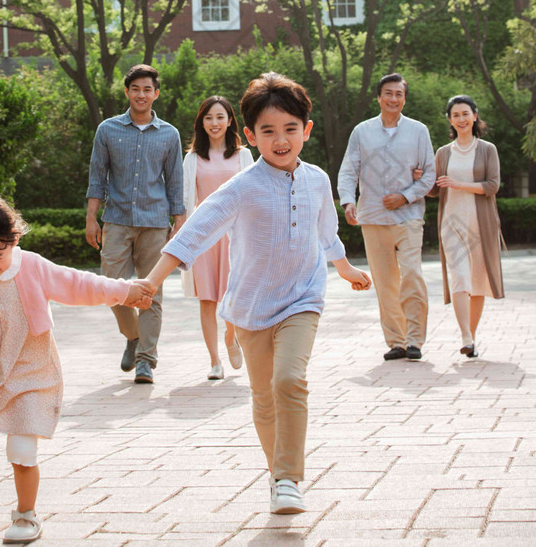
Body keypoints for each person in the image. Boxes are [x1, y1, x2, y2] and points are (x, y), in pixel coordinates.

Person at [143, 72, 371, 515]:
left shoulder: (318, 180)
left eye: (290, 129)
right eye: (268, 131)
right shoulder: (242, 186)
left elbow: (327, 231)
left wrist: (343, 268)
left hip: (303, 296)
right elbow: (196, 232)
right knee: (264, 397)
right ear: (249, 135)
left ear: (306, 129)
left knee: (290, 380)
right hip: (249, 305)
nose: (280, 140)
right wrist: (152, 281)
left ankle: (288, 477)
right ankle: (277, 474)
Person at [0, 183, 152, 545]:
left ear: (13, 240)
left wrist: (125, 290)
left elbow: (79, 284)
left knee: (22, 451)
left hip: (31, 370)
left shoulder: (31, 267)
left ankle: (26, 516)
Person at [85, 63, 184, 385]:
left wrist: (179, 222)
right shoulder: (108, 130)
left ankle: (146, 361)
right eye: (135, 89)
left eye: (147, 89)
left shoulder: (169, 134)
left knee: (151, 293)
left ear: (156, 94)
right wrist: (91, 218)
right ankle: (133, 336)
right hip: (116, 220)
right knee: (110, 286)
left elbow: (175, 183)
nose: (141, 94)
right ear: (127, 92)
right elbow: (97, 177)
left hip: (155, 223)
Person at [337, 72, 435, 361]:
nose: (394, 99)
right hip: (372, 217)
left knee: (412, 275)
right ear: (379, 97)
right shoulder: (361, 132)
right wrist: (347, 202)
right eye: (388, 93)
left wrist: (405, 195)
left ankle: (415, 339)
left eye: (399, 94)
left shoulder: (419, 131)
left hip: (409, 216)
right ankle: (397, 341)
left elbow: (429, 174)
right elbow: (348, 170)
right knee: (385, 281)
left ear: (404, 98)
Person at [181, 95, 254, 380]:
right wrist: (184, 238)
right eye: (209, 117)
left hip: (235, 236)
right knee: (208, 300)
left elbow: (251, 195)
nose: (215, 123)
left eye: (220, 117)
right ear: (201, 121)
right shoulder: (192, 158)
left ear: (230, 121)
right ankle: (214, 361)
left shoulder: (243, 155)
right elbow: (187, 200)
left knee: (233, 294)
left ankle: (231, 336)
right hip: (204, 237)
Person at [429, 94, 504, 358]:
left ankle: (471, 338)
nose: (461, 119)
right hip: (451, 224)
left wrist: (459, 184)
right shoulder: (443, 152)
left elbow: (493, 186)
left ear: (474, 116)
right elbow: (435, 190)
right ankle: (464, 335)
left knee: (477, 282)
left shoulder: (487, 149)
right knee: (460, 277)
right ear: (450, 120)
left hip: (480, 225)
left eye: (465, 113)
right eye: (455, 115)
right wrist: (423, 178)